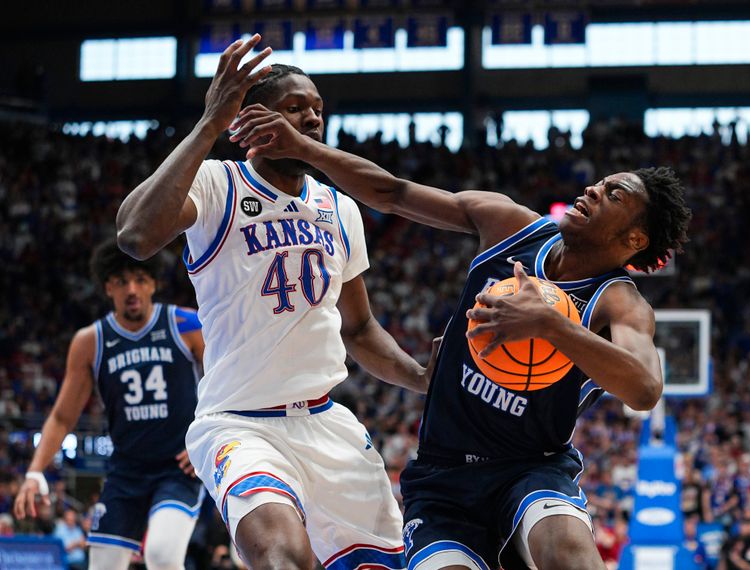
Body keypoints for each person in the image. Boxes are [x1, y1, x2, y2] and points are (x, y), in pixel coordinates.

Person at [229, 108, 692, 570]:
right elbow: (393, 192)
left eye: (614, 194)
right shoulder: (510, 225)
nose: (593, 189)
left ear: (635, 239)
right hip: (443, 477)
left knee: (569, 554)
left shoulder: (618, 303)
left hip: (532, 468)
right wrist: (305, 149)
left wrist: (550, 325)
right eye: (601, 183)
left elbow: (645, 389)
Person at [116, 35, 431, 569]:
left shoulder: (340, 208)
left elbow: (359, 330)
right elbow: (135, 235)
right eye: (295, 107)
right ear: (251, 120)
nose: (312, 117)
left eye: (317, 109)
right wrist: (210, 123)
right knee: (282, 555)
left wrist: (423, 377)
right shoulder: (217, 184)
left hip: (326, 424)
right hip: (239, 425)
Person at [14, 239, 205, 570]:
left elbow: (226, 381)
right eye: (121, 281)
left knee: (162, 555)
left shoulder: (186, 324)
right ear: (107, 288)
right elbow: (61, 417)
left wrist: (205, 438)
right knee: (102, 565)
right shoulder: (91, 341)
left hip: (178, 468)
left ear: (153, 283)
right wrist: (34, 472)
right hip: (126, 472)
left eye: (140, 280)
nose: (131, 289)